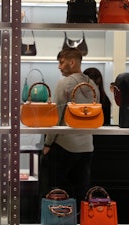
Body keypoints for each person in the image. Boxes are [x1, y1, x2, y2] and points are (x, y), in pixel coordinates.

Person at [40, 48, 100, 206]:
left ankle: (54, 219)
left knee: (52, 191)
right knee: (81, 193)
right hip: (87, 147)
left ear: (72, 62)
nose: (59, 67)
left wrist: (47, 143)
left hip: (64, 146)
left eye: (61, 62)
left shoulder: (64, 83)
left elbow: (56, 115)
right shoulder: (92, 84)